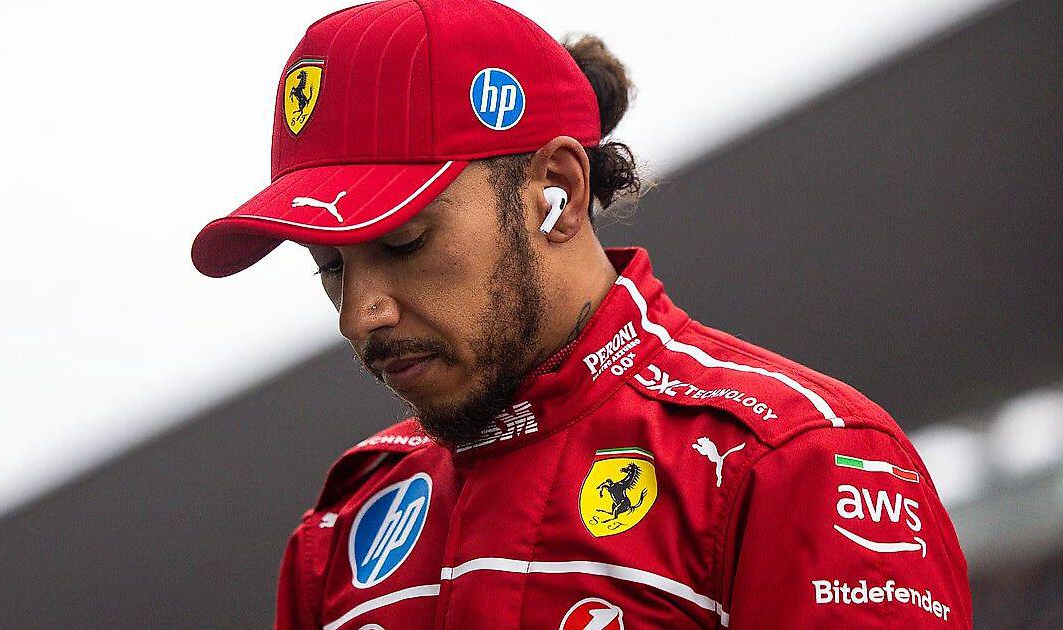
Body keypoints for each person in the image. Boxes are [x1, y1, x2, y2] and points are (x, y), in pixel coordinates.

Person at [190, 1, 973, 627]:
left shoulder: (797, 462)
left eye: (404, 242)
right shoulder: (343, 528)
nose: (360, 315)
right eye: (329, 265)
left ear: (556, 192)